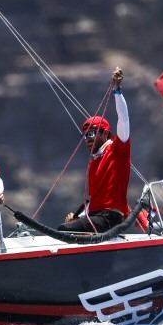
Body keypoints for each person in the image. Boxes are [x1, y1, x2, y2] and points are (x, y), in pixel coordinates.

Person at [59, 67, 131, 233]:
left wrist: (117, 91)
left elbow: (124, 119)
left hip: (110, 218)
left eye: (92, 133)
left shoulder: (118, 149)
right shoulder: (94, 162)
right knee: (69, 228)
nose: (88, 138)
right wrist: (79, 218)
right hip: (96, 217)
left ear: (105, 133)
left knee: (64, 230)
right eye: (85, 135)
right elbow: (94, 201)